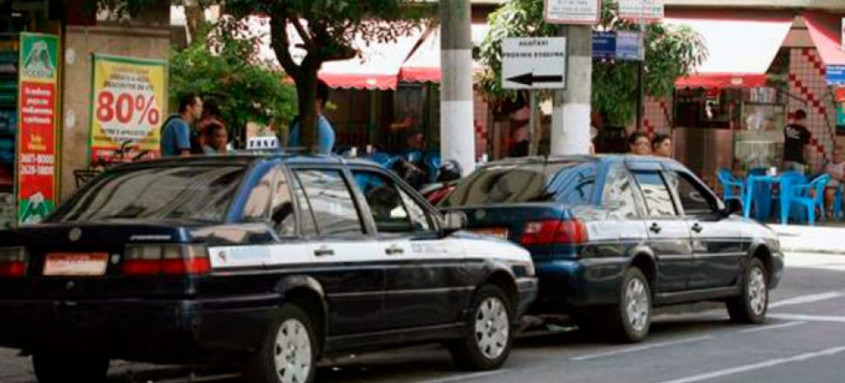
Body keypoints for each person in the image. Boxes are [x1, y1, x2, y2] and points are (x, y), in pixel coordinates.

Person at [288, 80, 335, 155]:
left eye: (305, 98)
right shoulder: (297, 123)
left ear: (319, 102)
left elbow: (319, 162)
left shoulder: (323, 129)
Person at [161, 93, 203, 157]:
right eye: (198, 106)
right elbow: (185, 154)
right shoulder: (180, 124)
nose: (201, 109)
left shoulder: (175, 122)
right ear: (188, 107)